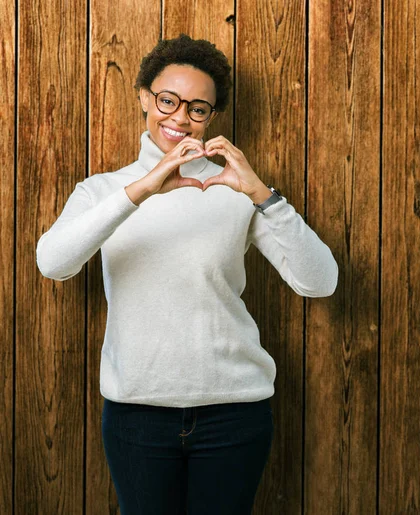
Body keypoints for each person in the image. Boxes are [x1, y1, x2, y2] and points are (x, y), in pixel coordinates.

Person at [36, 34, 338, 514]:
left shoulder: (234, 189)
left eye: (198, 108)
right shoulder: (103, 192)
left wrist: (262, 195)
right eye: (168, 100)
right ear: (143, 97)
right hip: (137, 415)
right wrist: (141, 191)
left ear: (211, 117)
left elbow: (320, 281)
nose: (179, 118)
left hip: (235, 414)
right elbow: (54, 263)